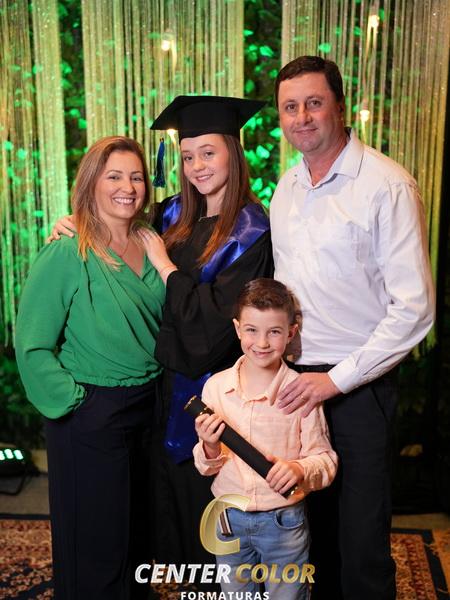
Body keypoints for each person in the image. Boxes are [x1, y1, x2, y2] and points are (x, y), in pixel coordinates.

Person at [48, 96, 274, 573]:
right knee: (155, 529)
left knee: (213, 537)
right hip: (158, 396)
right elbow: (117, 235)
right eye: (188, 157)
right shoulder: (171, 215)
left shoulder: (252, 231)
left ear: (233, 153)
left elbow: (215, 324)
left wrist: (168, 268)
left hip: (213, 399)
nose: (197, 167)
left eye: (208, 153)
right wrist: (74, 221)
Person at [270, 56, 435, 600]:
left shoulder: (387, 185)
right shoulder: (286, 188)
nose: (302, 117)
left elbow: (414, 309)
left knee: (361, 543)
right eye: (290, 107)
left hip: (359, 387)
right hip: (297, 387)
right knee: (309, 537)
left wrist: (335, 381)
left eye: (313, 103)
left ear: (339, 107)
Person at [15, 136, 165, 600]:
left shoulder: (152, 240)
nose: (128, 187)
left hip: (149, 408)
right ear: (91, 183)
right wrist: (76, 404)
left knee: (139, 541)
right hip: (92, 411)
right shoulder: (67, 250)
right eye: (114, 176)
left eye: (136, 177)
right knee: (95, 546)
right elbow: (31, 344)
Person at [193, 278, 338, 600]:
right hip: (227, 520)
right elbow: (205, 467)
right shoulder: (215, 388)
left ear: (291, 333)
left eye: (274, 331)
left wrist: (299, 469)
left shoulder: (302, 392)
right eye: (251, 330)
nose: (261, 342)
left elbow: (326, 460)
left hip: (283, 522)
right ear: (237, 329)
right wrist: (210, 446)